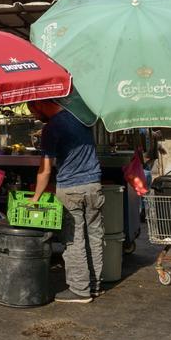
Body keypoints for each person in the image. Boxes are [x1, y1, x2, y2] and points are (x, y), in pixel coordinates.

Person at [30, 100, 103, 304]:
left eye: (33, 109)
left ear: (41, 105)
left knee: (74, 240)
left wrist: (35, 199)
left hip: (71, 189)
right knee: (94, 237)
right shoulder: (81, 117)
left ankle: (80, 290)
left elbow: (45, 170)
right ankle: (95, 285)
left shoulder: (51, 128)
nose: (35, 115)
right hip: (94, 185)